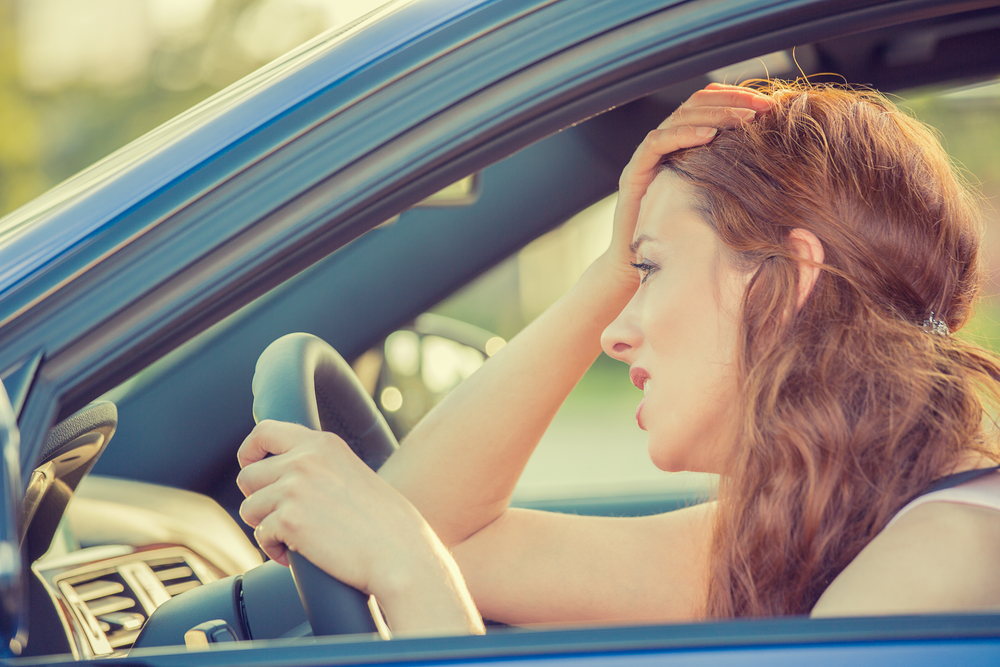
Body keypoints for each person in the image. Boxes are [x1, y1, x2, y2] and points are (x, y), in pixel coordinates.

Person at [235, 80, 1000, 636]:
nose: (613, 332)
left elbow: (418, 547)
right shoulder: (805, 527)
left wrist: (411, 572)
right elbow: (435, 530)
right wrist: (608, 271)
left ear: (785, 277)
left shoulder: (940, 563)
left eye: (653, 270)